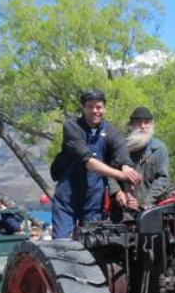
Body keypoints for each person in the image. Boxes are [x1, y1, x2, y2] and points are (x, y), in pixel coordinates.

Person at [49, 89, 141, 238]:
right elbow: (89, 162)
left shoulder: (111, 131)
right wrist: (122, 175)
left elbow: (122, 153)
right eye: (90, 106)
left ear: (104, 108)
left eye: (98, 107)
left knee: (95, 245)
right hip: (68, 198)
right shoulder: (72, 127)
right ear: (83, 108)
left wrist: (126, 168)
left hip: (94, 200)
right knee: (62, 245)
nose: (95, 111)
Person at [107, 106, 170, 215]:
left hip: (150, 209)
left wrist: (147, 202)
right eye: (138, 122)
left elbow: (162, 178)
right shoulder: (120, 146)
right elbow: (109, 173)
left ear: (152, 125)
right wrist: (118, 192)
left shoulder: (159, 148)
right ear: (131, 125)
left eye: (146, 123)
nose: (142, 126)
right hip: (121, 211)